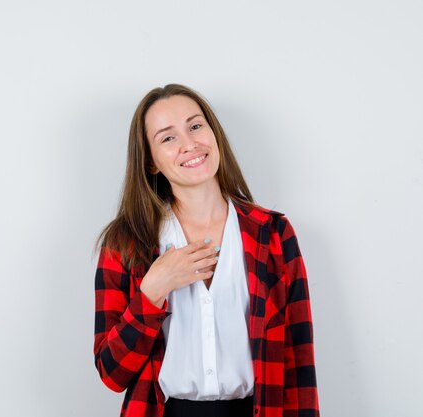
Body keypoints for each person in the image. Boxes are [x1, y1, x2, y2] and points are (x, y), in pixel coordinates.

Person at [92, 84, 320, 417]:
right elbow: (113, 374)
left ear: (214, 134)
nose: (189, 144)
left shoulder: (273, 234)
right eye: (168, 138)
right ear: (151, 162)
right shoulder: (125, 243)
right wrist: (152, 293)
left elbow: (299, 363)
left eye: (195, 126)